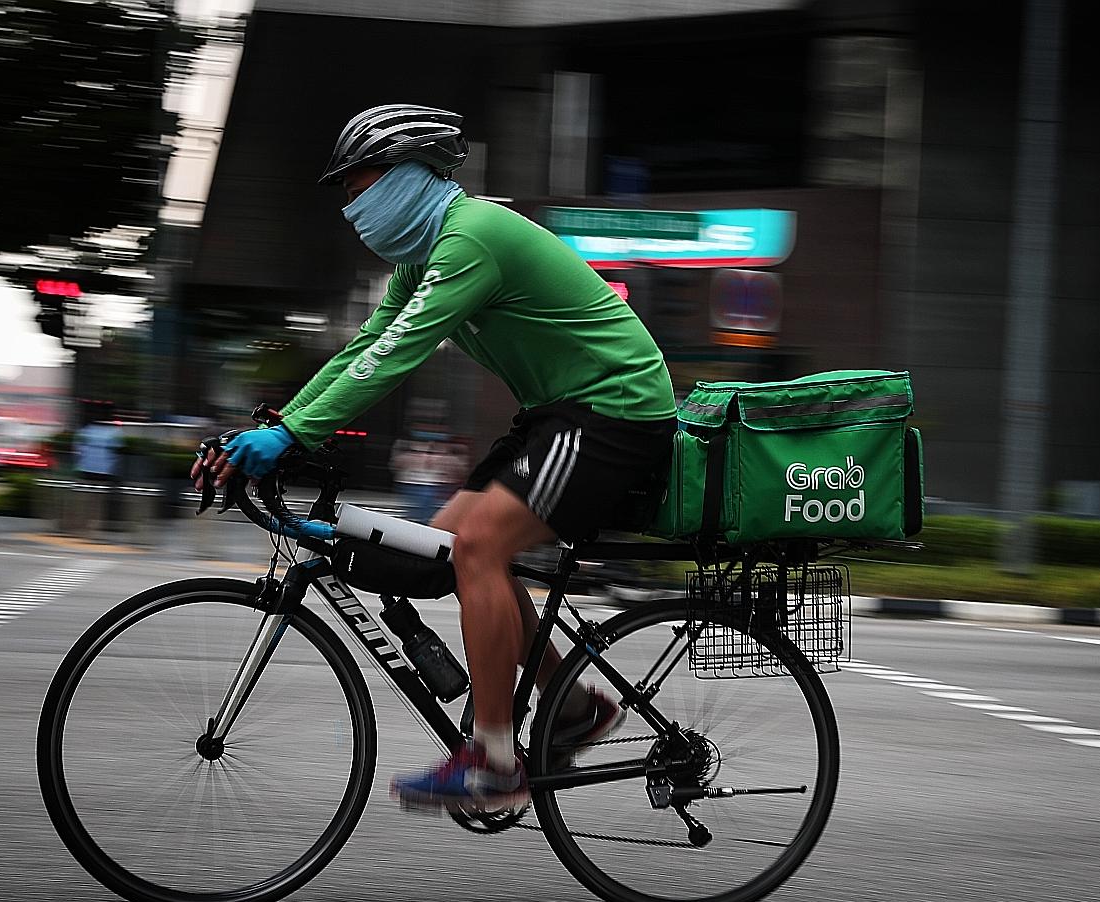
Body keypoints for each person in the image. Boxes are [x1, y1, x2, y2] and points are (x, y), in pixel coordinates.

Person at [194, 104, 677, 815]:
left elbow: (396, 357)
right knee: (451, 549)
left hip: (616, 410)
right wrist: (282, 424)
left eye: (360, 187)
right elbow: (365, 347)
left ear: (409, 176)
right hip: (558, 414)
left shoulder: (471, 239)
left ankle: (493, 761)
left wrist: (293, 438)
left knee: (478, 546)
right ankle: (570, 703)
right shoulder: (423, 257)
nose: (353, 208)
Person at [391, 421, 467, 524]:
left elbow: (458, 469)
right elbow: (397, 464)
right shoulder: (411, 450)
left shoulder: (446, 453)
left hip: (435, 486)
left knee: (429, 513)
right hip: (415, 484)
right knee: (417, 513)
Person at [74, 414, 123, 533]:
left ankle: (82, 522)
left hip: (85, 468)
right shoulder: (114, 432)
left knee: (85, 496)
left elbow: (77, 449)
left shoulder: (85, 431)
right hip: (105, 470)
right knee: (99, 498)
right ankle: (94, 523)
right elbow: (117, 451)